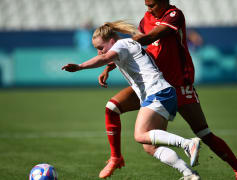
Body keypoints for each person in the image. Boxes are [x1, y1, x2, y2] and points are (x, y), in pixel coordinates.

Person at [97, 0, 237, 180]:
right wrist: (109, 66)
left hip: (178, 84)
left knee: (203, 132)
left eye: (152, 5)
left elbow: (149, 38)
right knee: (116, 111)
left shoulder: (174, 15)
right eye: (146, 5)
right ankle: (118, 158)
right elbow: (135, 50)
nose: (148, 9)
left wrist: (126, 40)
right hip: (154, 83)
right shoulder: (146, 18)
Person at [62, 21, 201, 180]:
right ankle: (189, 173)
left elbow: (107, 57)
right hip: (163, 92)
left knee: (140, 135)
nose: (99, 52)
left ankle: (187, 144)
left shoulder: (121, 44)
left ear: (112, 41)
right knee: (150, 146)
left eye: (100, 48)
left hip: (157, 92)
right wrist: (107, 69)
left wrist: (80, 67)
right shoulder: (125, 44)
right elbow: (110, 58)